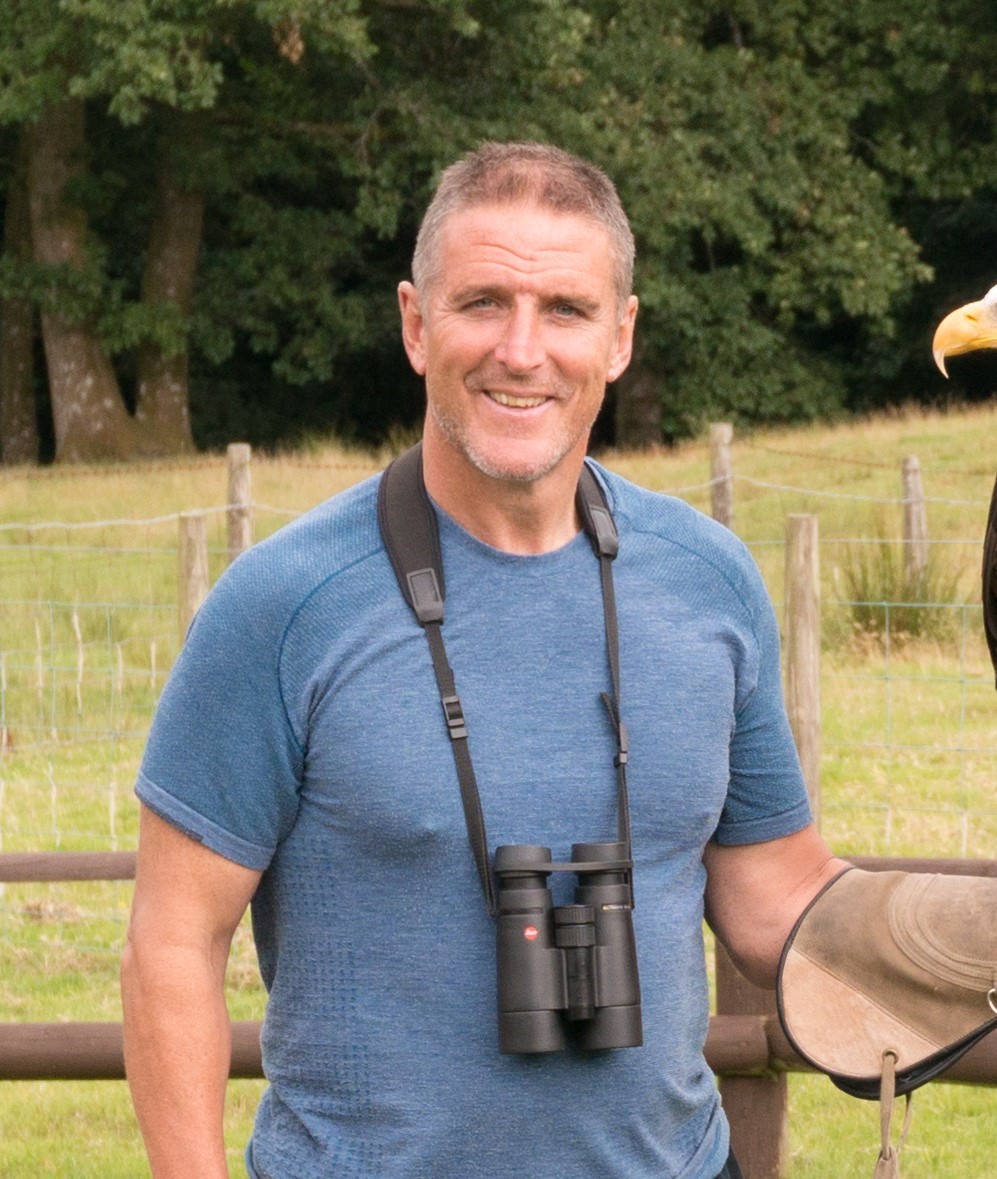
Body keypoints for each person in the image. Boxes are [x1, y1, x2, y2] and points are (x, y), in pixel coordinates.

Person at [120, 141, 845, 1179]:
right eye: (483, 303)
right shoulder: (282, 605)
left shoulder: (711, 582)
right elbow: (171, 946)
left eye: (564, 310)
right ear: (417, 325)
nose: (521, 349)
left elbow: (780, 901)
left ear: (622, 338)